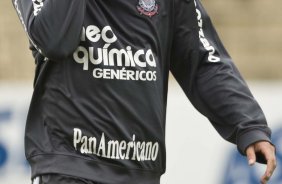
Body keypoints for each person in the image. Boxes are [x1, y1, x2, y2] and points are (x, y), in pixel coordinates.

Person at [12, 0, 276, 183]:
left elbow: (202, 60)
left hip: (140, 167)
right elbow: (54, 39)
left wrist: (247, 125)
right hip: (69, 163)